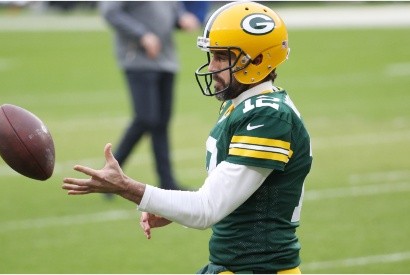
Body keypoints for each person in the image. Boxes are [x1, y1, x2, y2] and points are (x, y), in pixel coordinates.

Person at [63, 1, 313, 273]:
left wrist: (126, 187)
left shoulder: (267, 116)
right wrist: (172, 207)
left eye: (221, 56)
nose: (212, 66)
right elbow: (227, 194)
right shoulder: (244, 105)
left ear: (257, 59)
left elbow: (207, 209)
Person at [99, 2, 200, 191]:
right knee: (145, 119)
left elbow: (171, 9)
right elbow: (110, 12)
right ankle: (108, 175)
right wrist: (142, 34)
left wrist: (181, 18)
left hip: (166, 60)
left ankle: (167, 182)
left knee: (161, 123)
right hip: (138, 60)